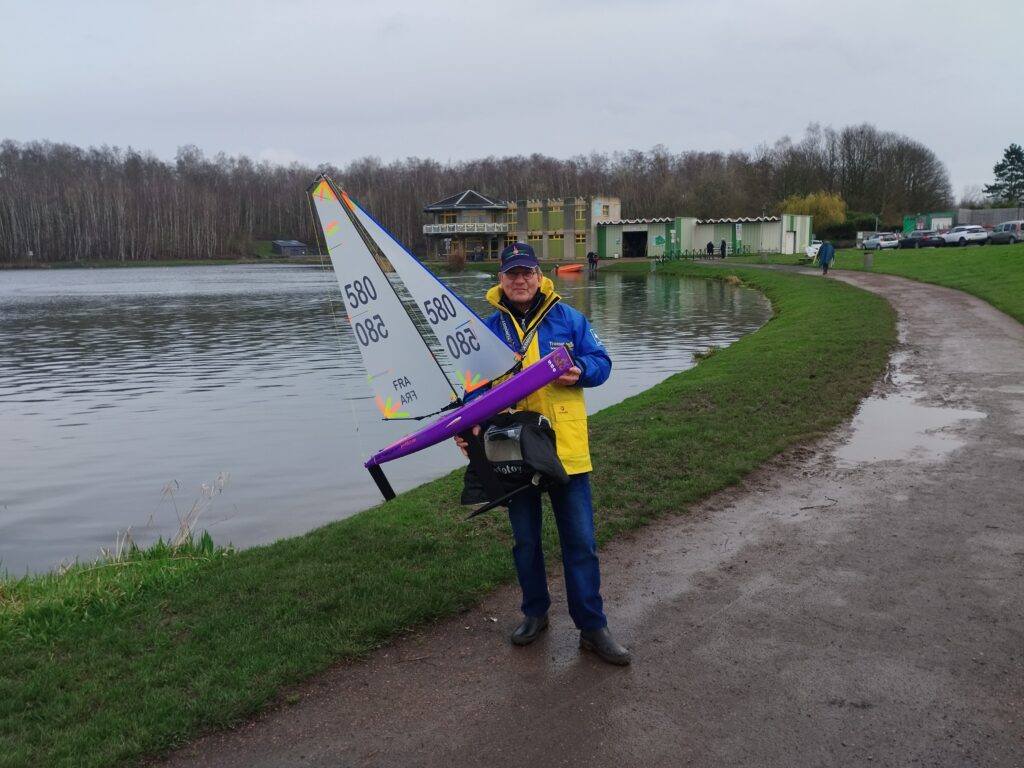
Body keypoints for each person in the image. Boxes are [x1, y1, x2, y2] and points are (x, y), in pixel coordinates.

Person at [455, 242, 630, 666]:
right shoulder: (486, 330)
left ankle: (592, 627)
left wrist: (581, 372)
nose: (520, 280)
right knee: (526, 541)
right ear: (501, 279)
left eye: (526, 273)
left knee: (580, 542)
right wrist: (467, 425)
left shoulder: (569, 319)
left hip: (566, 450)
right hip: (513, 452)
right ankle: (535, 613)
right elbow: (473, 388)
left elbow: (602, 362)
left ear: (539, 276)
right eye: (512, 273)